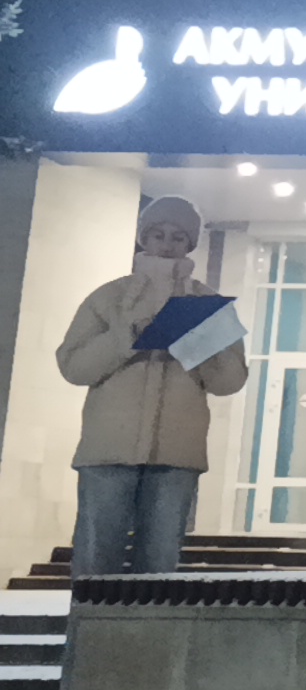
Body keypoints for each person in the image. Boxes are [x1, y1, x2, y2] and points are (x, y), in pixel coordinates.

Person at [55, 196, 249, 576]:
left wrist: (197, 345)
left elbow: (230, 381)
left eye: (178, 237)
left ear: (190, 243)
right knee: (96, 560)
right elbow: (74, 367)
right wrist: (126, 335)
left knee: (159, 565)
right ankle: (91, 618)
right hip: (108, 450)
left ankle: (148, 619)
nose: (166, 244)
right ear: (143, 238)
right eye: (158, 234)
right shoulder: (110, 297)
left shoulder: (208, 302)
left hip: (176, 455)